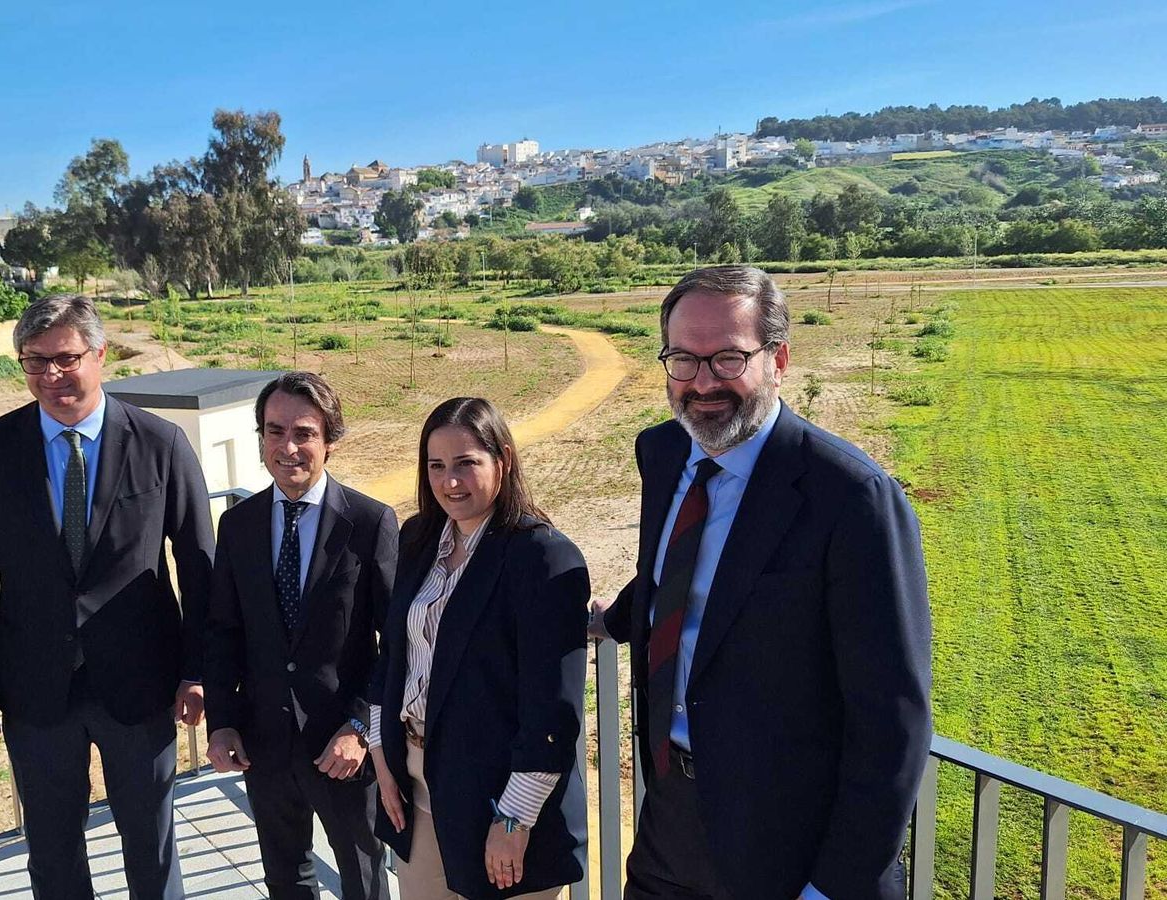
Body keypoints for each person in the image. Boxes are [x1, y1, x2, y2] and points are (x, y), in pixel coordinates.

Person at [590, 266, 932, 900]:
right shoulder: (664, 452)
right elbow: (677, 575)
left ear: (778, 359)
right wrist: (609, 620)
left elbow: (893, 720)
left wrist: (831, 886)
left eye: (727, 358)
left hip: (789, 842)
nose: (701, 383)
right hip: (672, 815)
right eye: (682, 361)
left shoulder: (850, 496)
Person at [0, 293, 214, 899]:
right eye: (34, 362)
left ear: (100, 355)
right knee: (51, 846)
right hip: (33, 685)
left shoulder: (160, 444)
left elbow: (199, 566)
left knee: (151, 843)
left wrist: (199, 671)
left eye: (66, 359)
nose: (51, 376)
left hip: (141, 683)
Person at [368, 397, 589, 900]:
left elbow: (552, 712)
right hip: (416, 793)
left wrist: (513, 819)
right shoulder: (419, 538)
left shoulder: (542, 557)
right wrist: (382, 758)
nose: (450, 482)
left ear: (503, 460)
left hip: (502, 804)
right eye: (436, 466)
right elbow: (393, 658)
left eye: (467, 463)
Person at [203, 371, 397, 900]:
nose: (287, 447)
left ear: (329, 440)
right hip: (262, 743)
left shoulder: (369, 521)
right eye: (274, 431)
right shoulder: (238, 525)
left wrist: (362, 726)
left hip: (342, 746)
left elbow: (397, 644)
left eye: (304, 433)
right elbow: (223, 631)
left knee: (363, 878)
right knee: (285, 878)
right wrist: (222, 723)